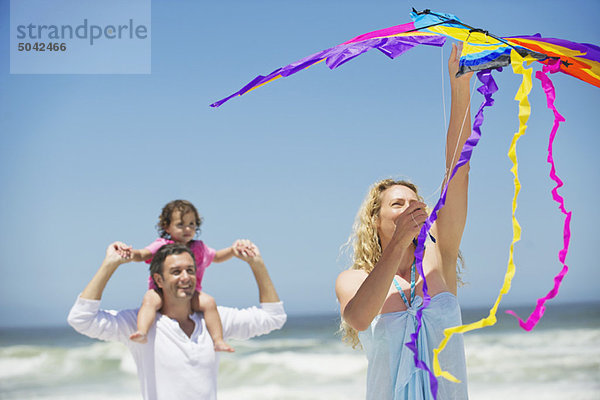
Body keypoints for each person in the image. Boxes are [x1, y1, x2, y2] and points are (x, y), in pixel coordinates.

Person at [335, 43, 472, 400]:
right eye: (397, 204)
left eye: (415, 203)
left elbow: (459, 170)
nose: (410, 207)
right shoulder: (353, 279)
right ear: (375, 220)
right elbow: (360, 318)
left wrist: (460, 88)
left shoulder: (439, 258)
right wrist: (397, 245)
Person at [68, 241, 286, 400]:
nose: (185, 277)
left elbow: (273, 318)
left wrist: (257, 264)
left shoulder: (214, 320)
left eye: (190, 270)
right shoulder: (139, 323)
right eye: (176, 271)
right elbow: (81, 319)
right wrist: (109, 265)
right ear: (159, 280)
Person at [126, 199, 248, 351]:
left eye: (191, 224)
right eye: (180, 225)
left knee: (209, 302)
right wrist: (130, 254)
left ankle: (218, 341)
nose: (187, 229)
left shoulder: (200, 248)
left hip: (190, 294)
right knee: (149, 299)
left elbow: (216, 257)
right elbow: (143, 254)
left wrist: (232, 251)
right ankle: (142, 332)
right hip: (162, 292)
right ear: (166, 226)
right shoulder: (162, 245)